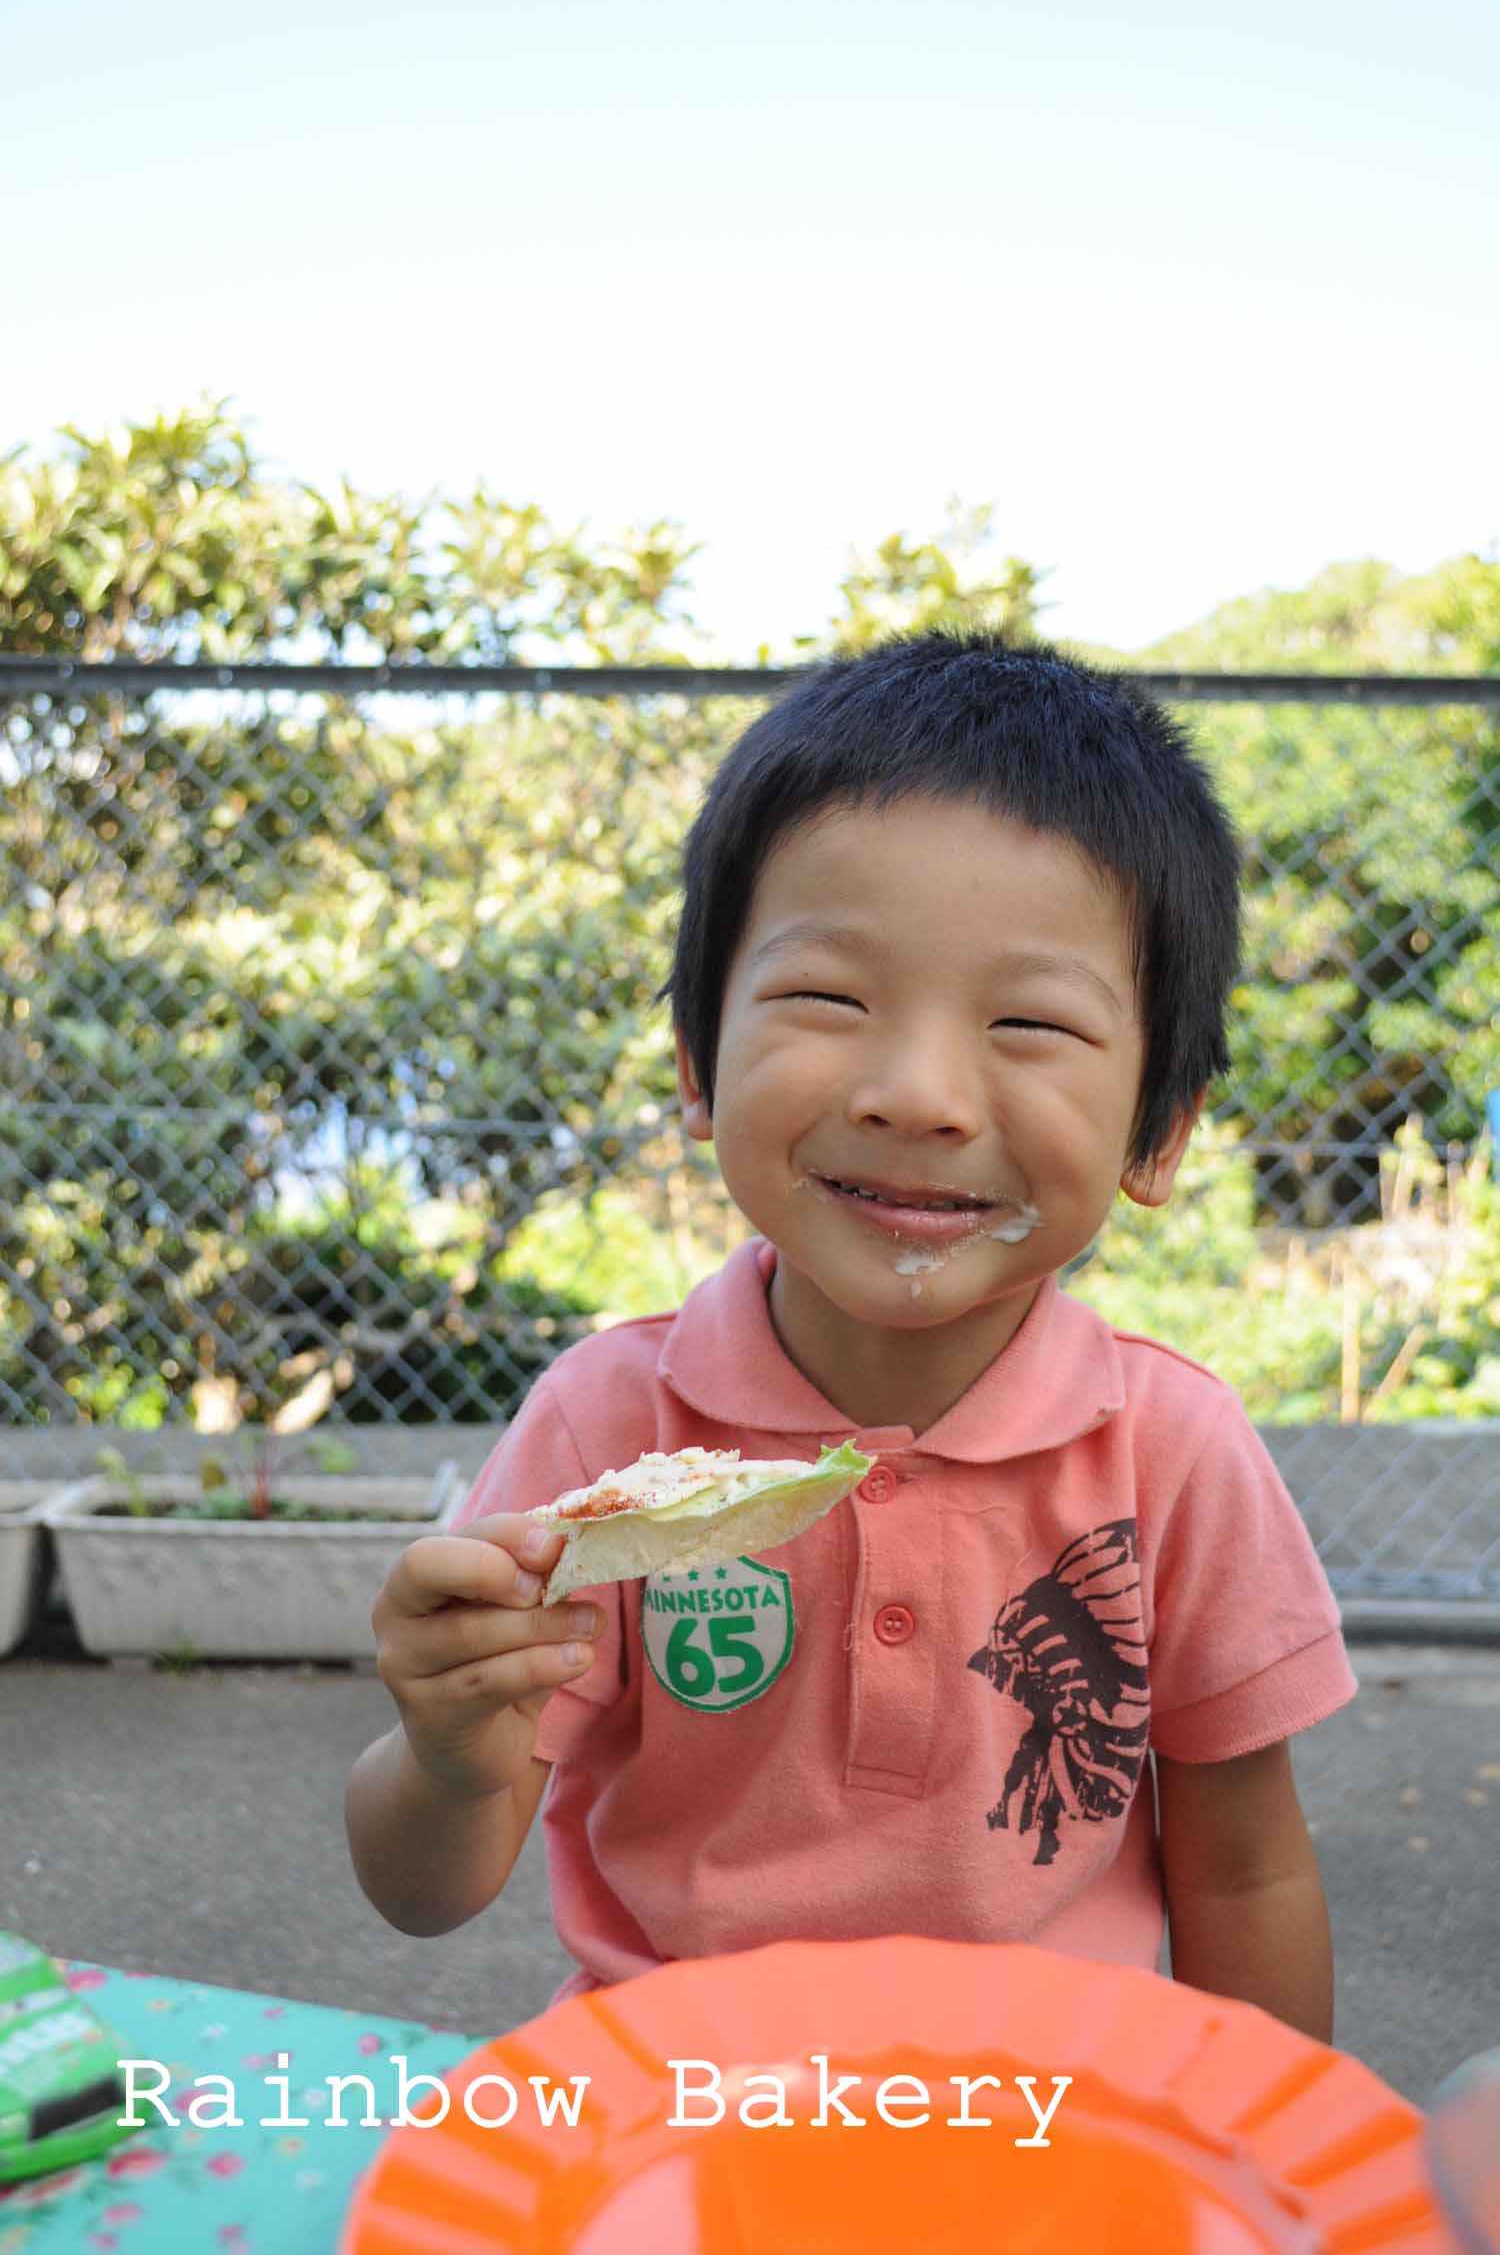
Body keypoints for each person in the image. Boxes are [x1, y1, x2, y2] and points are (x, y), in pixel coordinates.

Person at [345, 629, 1356, 2042]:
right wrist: (450, 1755)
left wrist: (1290, 2177)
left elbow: (1247, 1869)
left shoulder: (1170, 1449)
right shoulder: (607, 1425)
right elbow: (425, 1887)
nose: (918, 1093)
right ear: (701, 1066)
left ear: (1158, 1129)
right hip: (681, 2113)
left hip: (1058, 2127)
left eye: (1029, 1022)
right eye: (829, 999)